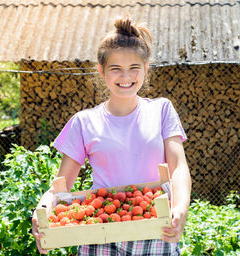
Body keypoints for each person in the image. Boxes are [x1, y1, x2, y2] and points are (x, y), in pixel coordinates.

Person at [32, 16, 191, 256]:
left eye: (134, 68)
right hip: (100, 230)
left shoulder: (161, 110)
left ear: (146, 68)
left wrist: (180, 207)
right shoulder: (84, 122)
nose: (125, 77)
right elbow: (60, 186)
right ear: (101, 70)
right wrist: (43, 209)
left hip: (154, 226)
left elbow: (178, 167)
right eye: (116, 69)